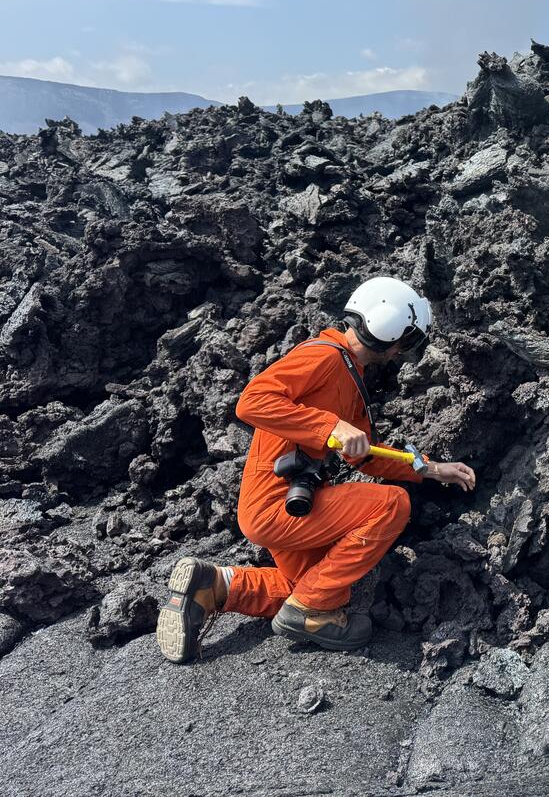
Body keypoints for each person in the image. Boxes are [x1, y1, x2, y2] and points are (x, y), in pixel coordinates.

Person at [156, 277, 475, 663]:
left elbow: (367, 457)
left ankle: (213, 586)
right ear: (387, 327)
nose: (399, 353)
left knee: (307, 584)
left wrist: (430, 468)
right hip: (277, 504)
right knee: (391, 505)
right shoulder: (324, 356)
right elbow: (252, 401)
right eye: (405, 342)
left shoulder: (351, 377)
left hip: (290, 503)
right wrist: (330, 426)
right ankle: (311, 611)